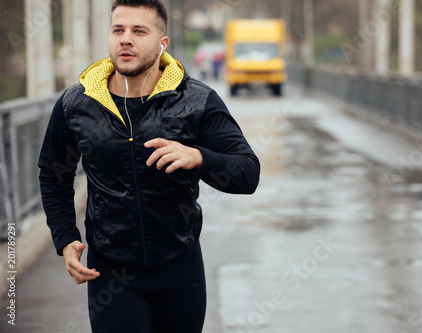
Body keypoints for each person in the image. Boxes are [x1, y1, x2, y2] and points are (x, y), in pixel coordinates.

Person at [38, 0, 260, 332]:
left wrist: (198, 157)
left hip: (179, 267)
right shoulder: (76, 104)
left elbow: (247, 172)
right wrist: (65, 236)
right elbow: (54, 173)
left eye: (139, 31)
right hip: (112, 273)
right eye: (118, 30)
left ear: (161, 44)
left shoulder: (196, 101)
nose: (125, 39)